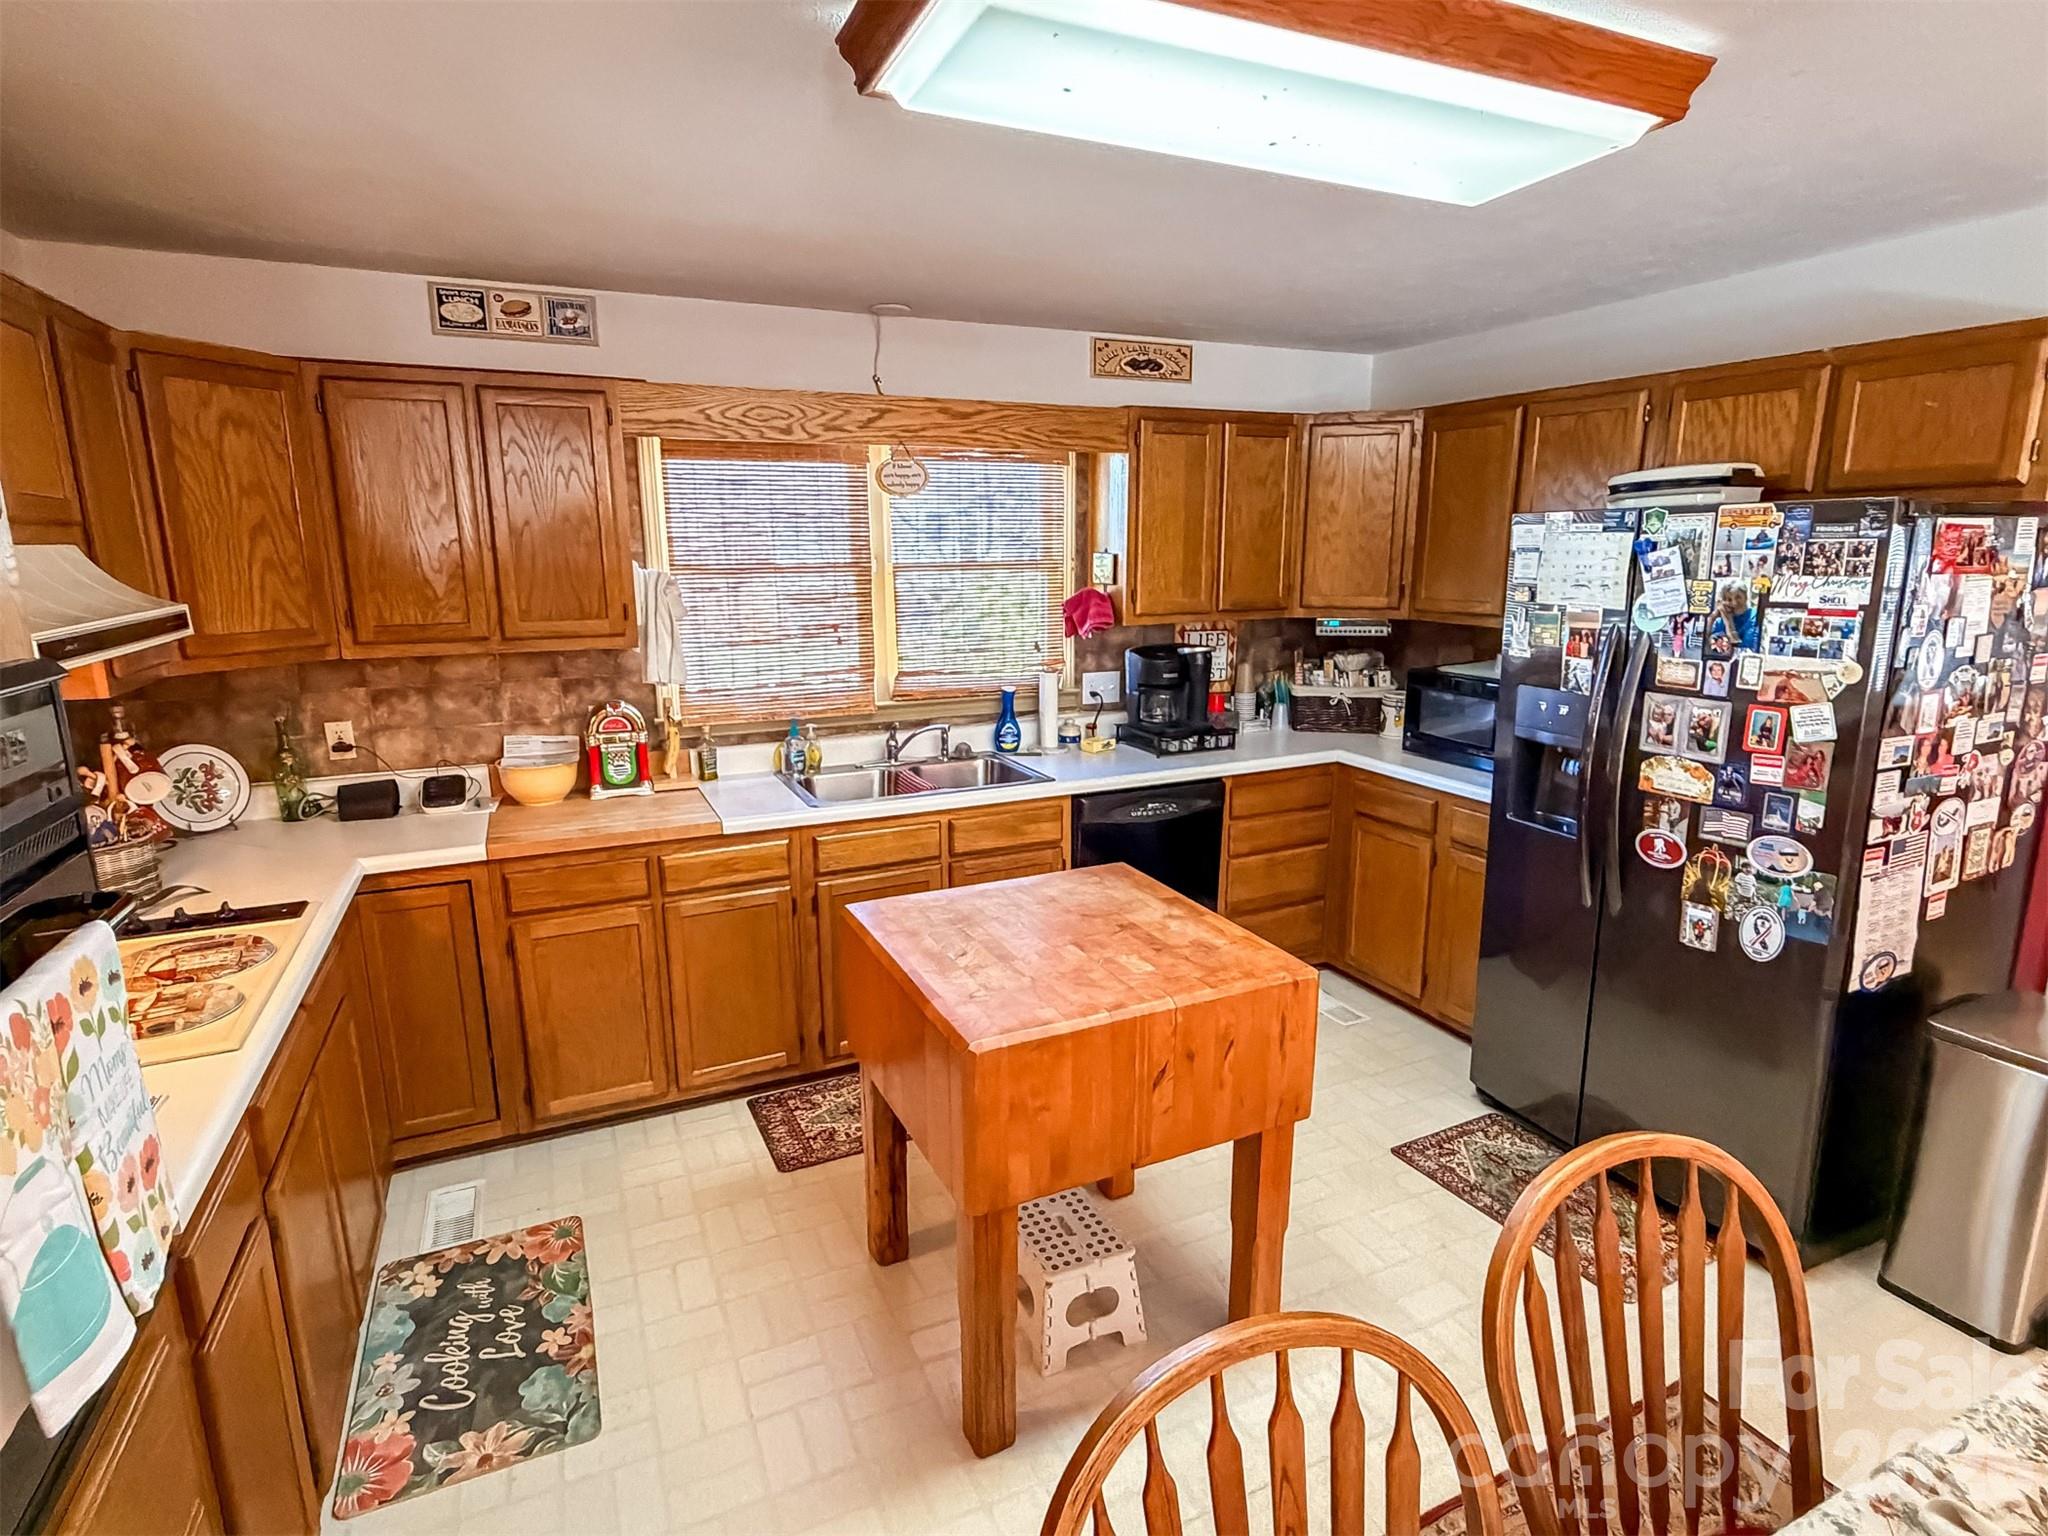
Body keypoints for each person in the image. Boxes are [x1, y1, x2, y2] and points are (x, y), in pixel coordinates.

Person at [1707, 581, 1760, 656]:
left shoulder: (1755, 616)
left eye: (1738, 597)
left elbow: (1745, 651)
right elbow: (1710, 647)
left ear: (1746, 597)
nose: (1734, 603)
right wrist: (1712, 618)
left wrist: (1729, 622)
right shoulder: (1721, 619)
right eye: (1729, 599)